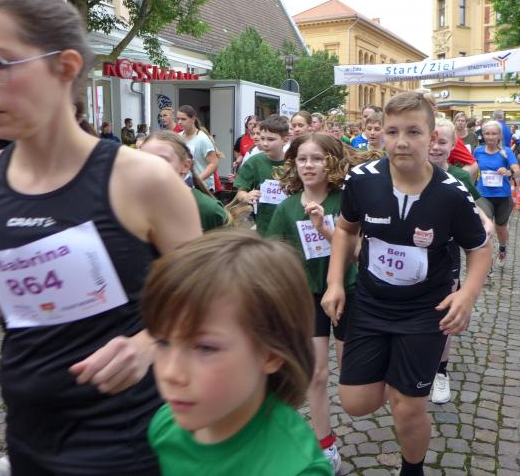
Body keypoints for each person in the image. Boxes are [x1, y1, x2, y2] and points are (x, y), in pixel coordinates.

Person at [0, 0, 201, 474]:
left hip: (134, 440)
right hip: (29, 434)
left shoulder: (145, 180)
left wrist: (148, 343)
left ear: (65, 67)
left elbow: (206, 299)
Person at [321, 92, 492, 476]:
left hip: (425, 310)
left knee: (408, 407)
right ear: (381, 133)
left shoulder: (451, 193)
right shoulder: (362, 181)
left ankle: (412, 468)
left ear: (431, 138)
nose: (401, 142)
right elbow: (345, 231)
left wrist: (467, 295)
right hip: (371, 303)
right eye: (392, 131)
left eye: (413, 132)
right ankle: (397, 375)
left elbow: (480, 249)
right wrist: (335, 283)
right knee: (356, 403)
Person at [142, 230, 329, 475]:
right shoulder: (166, 426)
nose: (170, 373)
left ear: (271, 354)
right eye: (163, 342)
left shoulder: (297, 468)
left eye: (205, 347)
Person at [266, 133, 357, 473]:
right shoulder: (288, 207)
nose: (308, 166)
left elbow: (357, 253)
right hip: (307, 297)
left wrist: (324, 229)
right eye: (302, 159)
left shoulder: (346, 201)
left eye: (317, 158)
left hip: (348, 290)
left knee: (351, 376)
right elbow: (273, 253)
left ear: (331, 163)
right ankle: (325, 444)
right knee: (317, 374)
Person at [428, 119, 493, 405]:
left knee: (445, 312)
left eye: (442, 142)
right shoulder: (410, 172)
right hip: (415, 253)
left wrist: (486, 221)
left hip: (448, 253)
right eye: (431, 140)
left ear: (453, 145)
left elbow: (475, 207)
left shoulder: (459, 177)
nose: (435, 147)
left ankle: (440, 371)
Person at [141, 131, 229, 232]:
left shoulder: (208, 210)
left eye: (162, 160)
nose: (150, 166)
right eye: (143, 160)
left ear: (185, 166)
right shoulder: (136, 205)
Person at [474, 120, 520, 268]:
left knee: (501, 229)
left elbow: (517, 171)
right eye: (487, 133)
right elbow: (472, 169)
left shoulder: (506, 151)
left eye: (494, 134)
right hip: (483, 195)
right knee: (486, 227)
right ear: (483, 135)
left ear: (499, 135)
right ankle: (487, 259)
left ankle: (502, 249)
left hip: (502, 196)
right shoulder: (478, 151)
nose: (490, 137)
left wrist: (508, 172)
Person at [234, 113, 290, 234]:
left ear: (285, 140)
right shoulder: (254, 162)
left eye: (271, 139)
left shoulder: (295, 162)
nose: (265, 143)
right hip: (265, 225)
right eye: (262, 138)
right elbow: (240, 192)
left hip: (290, 226)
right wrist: (246, 196)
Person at [178, 105, 217, 192]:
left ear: (193, 119)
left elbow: (214, 163)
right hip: (185, 188)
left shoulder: (202, 138)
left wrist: (197, 180)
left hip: (202, 188)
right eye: (178, 119)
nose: (179, 122)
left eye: (183, 119)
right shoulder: (178, 137)